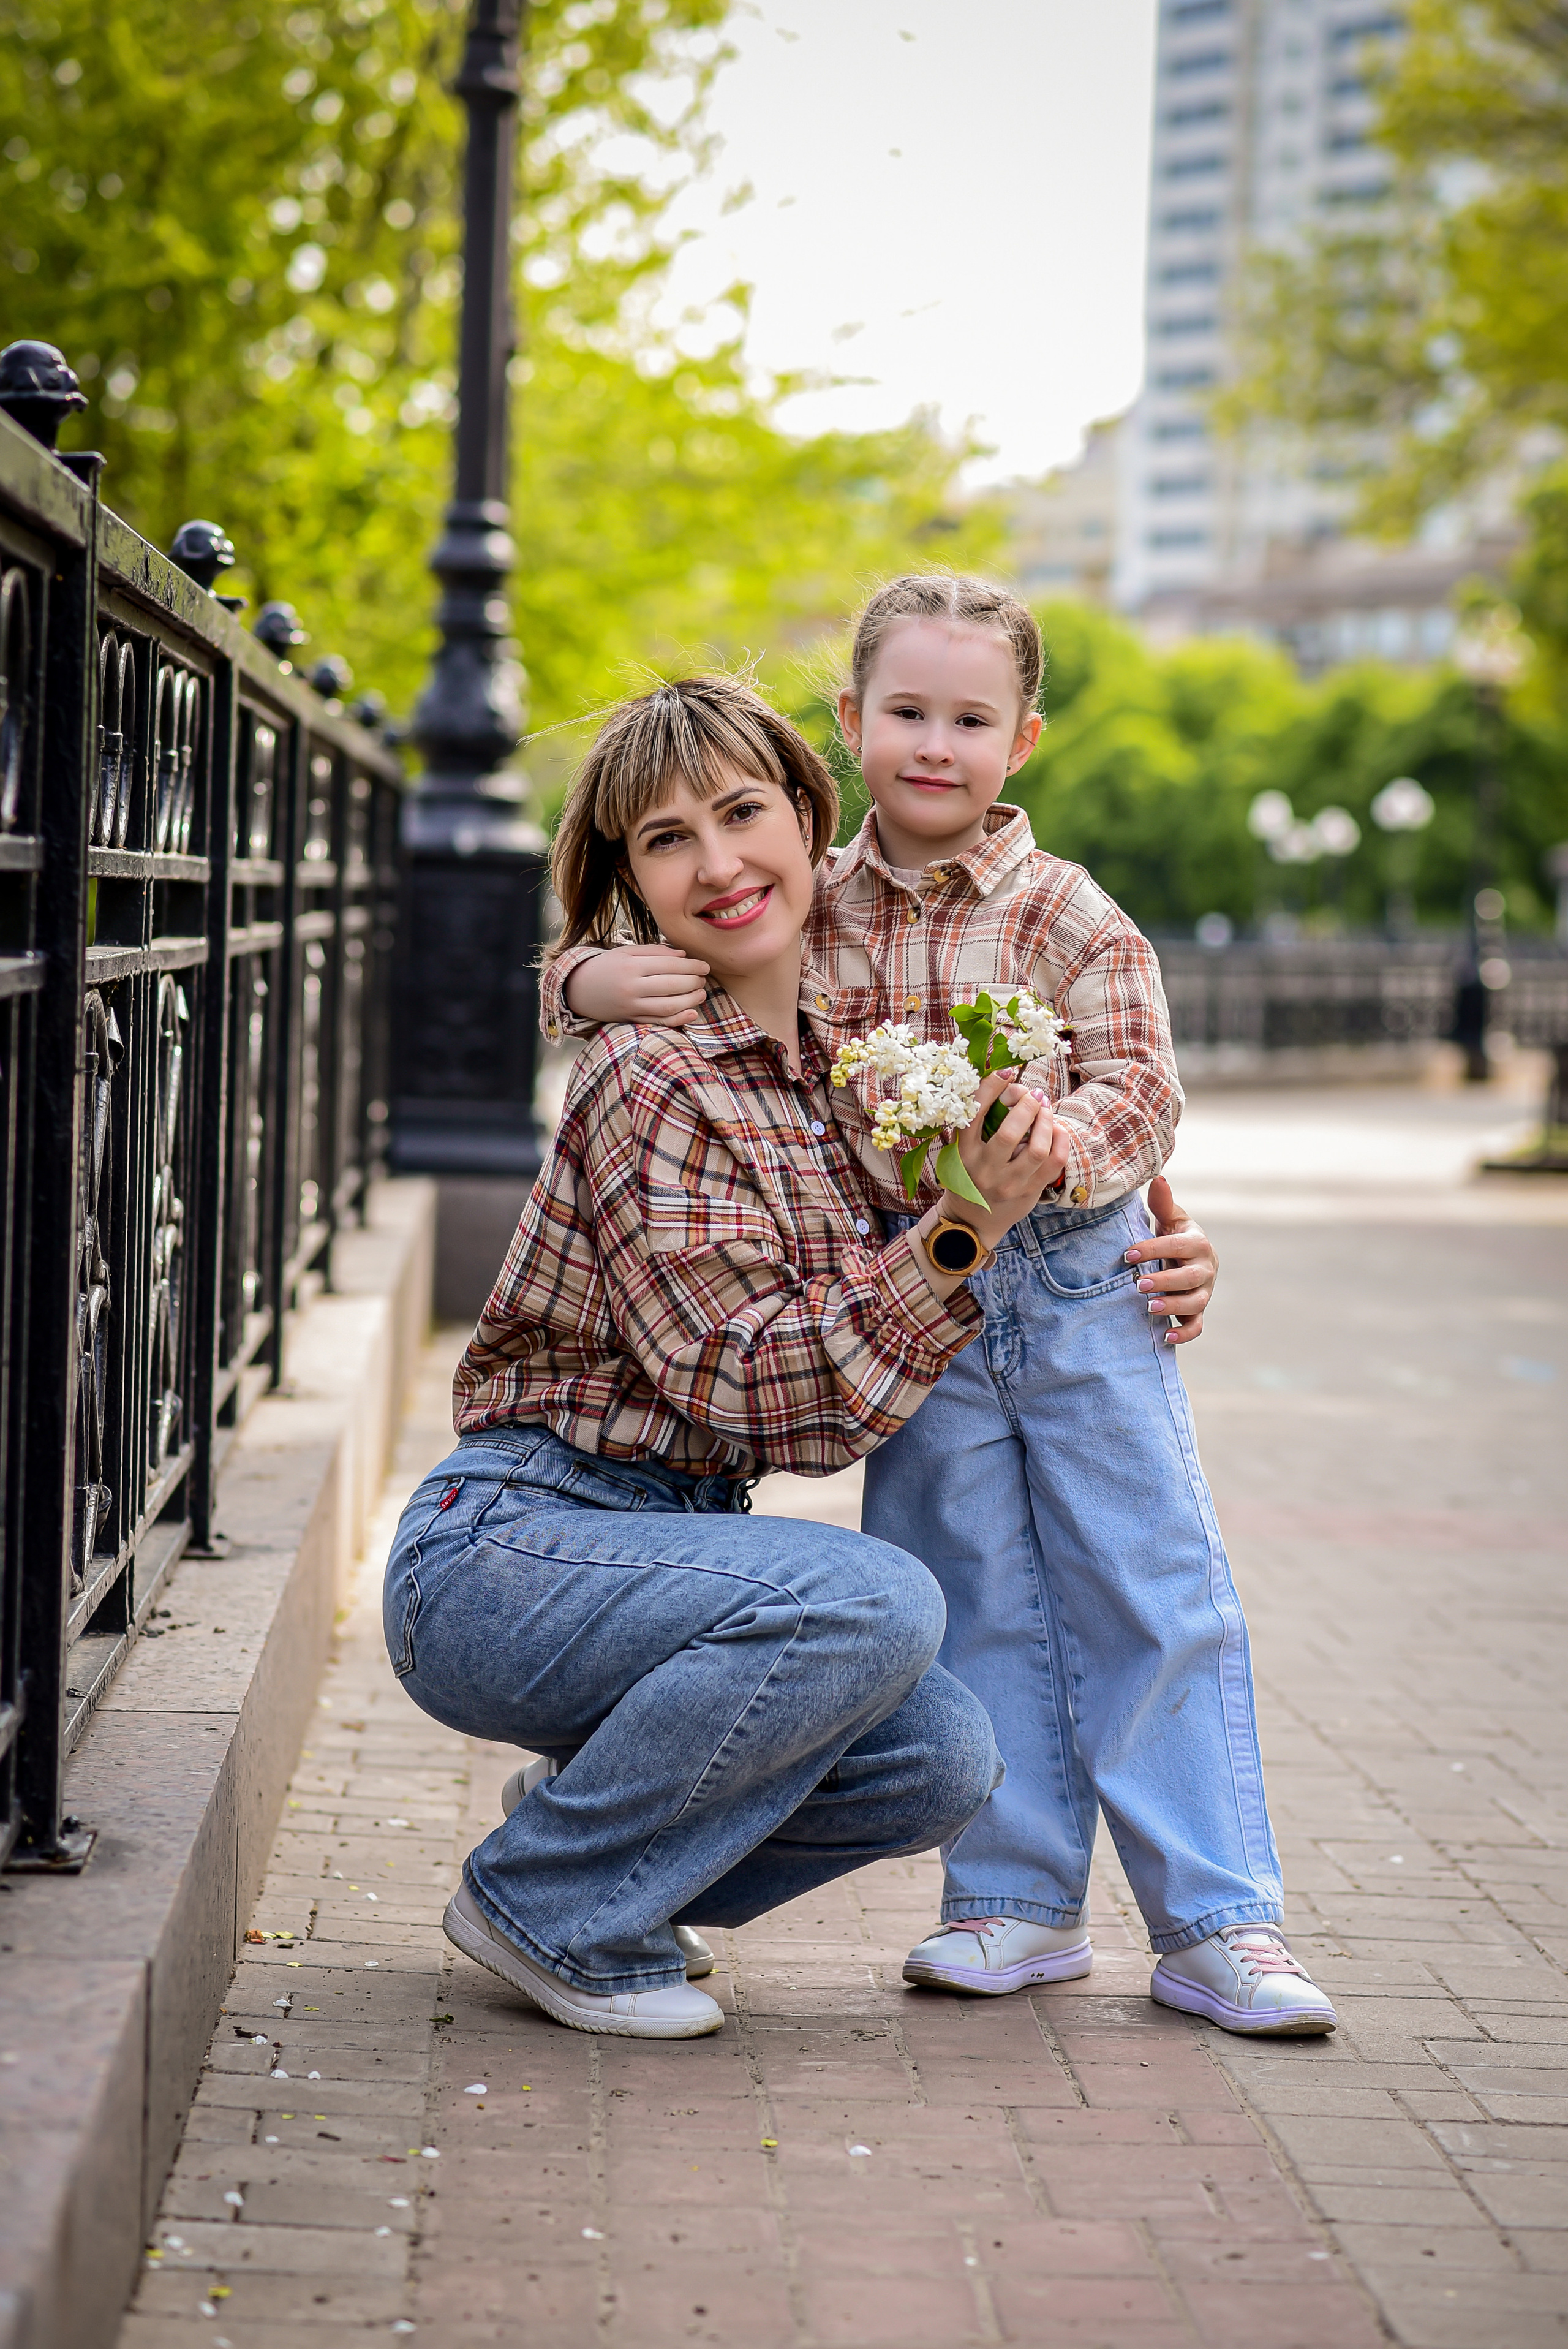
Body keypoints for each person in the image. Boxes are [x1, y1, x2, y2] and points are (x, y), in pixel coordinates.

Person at [542, 578, 1336, 2037]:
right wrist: (586, 977)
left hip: (1079, 1280)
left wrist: (1059, 1164)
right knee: (966, 1592)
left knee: (1149, 1590)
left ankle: (1220, 1920)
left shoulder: (1066, 911)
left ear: (1021, 739)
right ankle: (1014, 1906)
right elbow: (638, 968)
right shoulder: (801, 895)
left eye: (969, 719)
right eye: (904, 711)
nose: (933, 744)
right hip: (917, 1292)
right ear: (847, 727)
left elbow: (1144, 1086)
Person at [384, 673, 1071, 2043]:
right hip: (514, 1545)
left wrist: (1162, 1243)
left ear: (806, 817)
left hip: (674, 1550)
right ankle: (544, 1903)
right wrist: (956, 1236)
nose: (717, 866)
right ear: (628, 879)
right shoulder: (651, 1076)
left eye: (741, 813)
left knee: (942, 1758)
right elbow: (748, 1385)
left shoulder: (852, 1070)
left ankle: (596, 1845)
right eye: (663, 840)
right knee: (873, 1604)